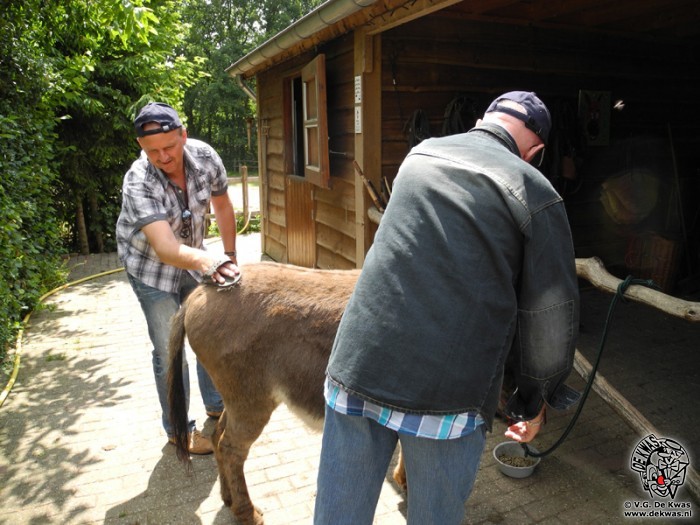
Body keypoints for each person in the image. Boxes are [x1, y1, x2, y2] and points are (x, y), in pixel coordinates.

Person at [314, 91, 580, 524]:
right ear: (536, 151)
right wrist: (534, 401)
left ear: (483, 120)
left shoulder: (420, 155)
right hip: (447, 391)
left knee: (337, 517)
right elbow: (548, 315)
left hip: (358, 365)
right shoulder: (534, 190)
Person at [116, 102, 240, 455]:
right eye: (152, 151)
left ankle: (216, 404)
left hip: (195, 260)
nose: (163, 157)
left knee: (208, 333)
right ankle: (179, 431)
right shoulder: (138, 180)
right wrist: (213, 262)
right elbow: (167, 249)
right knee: (170, 351)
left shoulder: (206, 157)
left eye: (169, 146)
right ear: (141, 147)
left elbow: (223, 205)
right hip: (150, 270)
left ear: (183, 135)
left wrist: (230, 254)